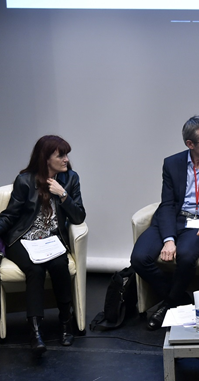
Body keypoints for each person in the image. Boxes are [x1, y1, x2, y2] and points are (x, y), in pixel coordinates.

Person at [130, 116, 199, 331]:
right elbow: (168, 204)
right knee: (139, 258)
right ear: (190, 144)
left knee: (187, 256)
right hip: (173, 218)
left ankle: (169, 305)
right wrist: (168, 239)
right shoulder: (172, 163)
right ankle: (180, 299)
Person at [0, 135, 86, 356]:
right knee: (35, 269)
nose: (66, 159)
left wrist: (63, 194)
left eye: (66, 155)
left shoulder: (70, 179)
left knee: (59, 265)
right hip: (23, 239)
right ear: (46, 158)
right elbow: (10, 216)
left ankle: (65, 323)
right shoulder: (25, 180)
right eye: (61, 155)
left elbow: (79, 217)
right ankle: (35, 332)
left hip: (51, 239)